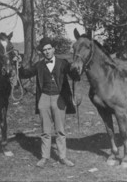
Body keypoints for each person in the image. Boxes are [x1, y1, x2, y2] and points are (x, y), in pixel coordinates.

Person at [19, 37, 77, 168]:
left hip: (59, 98)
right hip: (44, 98)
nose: (47, 52)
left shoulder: (63, 63)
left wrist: (76, 69)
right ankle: (44, 157)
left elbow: (74, 76)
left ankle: (63, 157)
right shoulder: (39, 65)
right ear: (42, 52)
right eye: (44, 50)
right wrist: (18, 65)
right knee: (45, 131)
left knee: (60, 130)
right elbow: (25, 73)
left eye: (49, 49)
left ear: (53, 49)